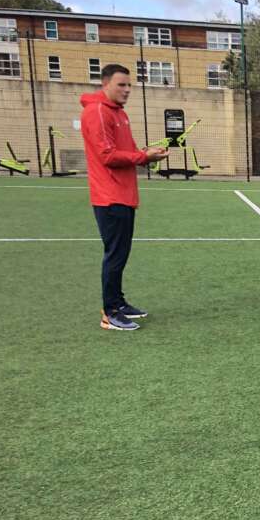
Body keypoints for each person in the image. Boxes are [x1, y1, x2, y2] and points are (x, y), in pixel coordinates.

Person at [80, 63, 169, 331]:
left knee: (121, 253)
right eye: (121, 84)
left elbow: (127, 151)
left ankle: (118, 303)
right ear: (105, 84)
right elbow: (107, 156)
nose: (127, 90)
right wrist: (143, 157)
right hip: (109, 197)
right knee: (115, 255)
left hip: (124, 195)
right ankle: (109, 313)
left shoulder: (119, 113)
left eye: (130, 85)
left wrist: (147, 155)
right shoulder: (97, 112)